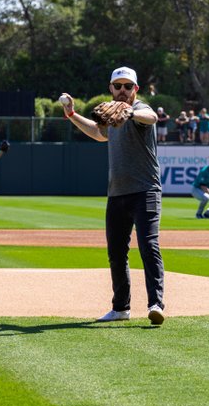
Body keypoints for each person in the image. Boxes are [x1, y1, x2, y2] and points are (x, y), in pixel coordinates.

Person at [59, 66, 165, 326]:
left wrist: (131, 111)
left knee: (148, 246)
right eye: (117, 86)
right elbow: (98, 133)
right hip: (117, 193)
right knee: (116, 252)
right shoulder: (111, 113)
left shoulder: (139, 110)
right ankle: (121, 308)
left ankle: (156, 304)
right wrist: (71, 114)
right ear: (110, 88)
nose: (122, 90)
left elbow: (151, 118)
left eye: (128, 86)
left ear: (135, 89)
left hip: (145, 190)